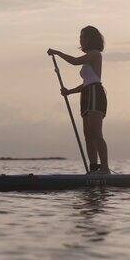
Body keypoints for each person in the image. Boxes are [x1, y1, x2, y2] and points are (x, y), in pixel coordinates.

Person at [47, 26, 110, 174]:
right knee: (88, 135)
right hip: (87, 94)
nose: (80, 40)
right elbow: (85, 83)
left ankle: (105, 168)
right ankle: (93, 168)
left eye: (83, 37)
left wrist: (57, 52)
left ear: (90, 38)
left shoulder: (95, 54)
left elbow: (75, 61)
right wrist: (69, 92)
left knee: (96, 133)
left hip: (95, 93)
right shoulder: (89, 57)